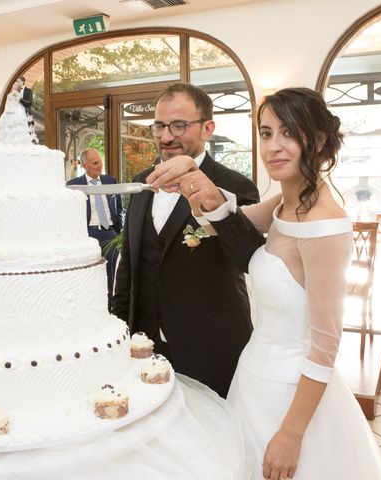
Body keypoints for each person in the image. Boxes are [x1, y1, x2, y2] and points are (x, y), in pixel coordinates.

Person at [147, 87, 381, 479]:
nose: (274, 146)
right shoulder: (282, 203)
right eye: (265, 133)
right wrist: (196, 179)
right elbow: (230, 222)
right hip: (253, 378)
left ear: (319, 140)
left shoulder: (324, 225)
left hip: (291, 393)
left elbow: (325, 345)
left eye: (289, 133)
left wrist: (292, 434)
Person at [111, 83, 263, 398]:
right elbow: (130, 262)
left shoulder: (234, 186)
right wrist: (119, 332)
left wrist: (205, 195)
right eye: (159, 126)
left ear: (207, 128)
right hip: (145, 348)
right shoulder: (142, 183)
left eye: (179, 126)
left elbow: (247, 257)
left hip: (210, 347)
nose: (166, 137)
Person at [67, 148, 122, 306]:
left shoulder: (110, 181)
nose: (100, 165)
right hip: (89, 234)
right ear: (84, 165)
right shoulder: (74, 185)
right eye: (95, 162)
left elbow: (117, 207)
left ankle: (113, 304)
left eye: (100, 161)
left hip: (110, 232)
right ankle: (93, 304)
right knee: (91, 271)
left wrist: (118, 229)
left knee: (113, 270)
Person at [16, 76, 37, 144]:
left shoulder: (28, 90)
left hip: (26, 113)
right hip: (17, 114)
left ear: (23, 82)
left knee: (28, 131)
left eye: (19, 81)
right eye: (17, 81)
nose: (17, 83)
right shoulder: (15, 91)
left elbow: (30, 102)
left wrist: (20, 99)